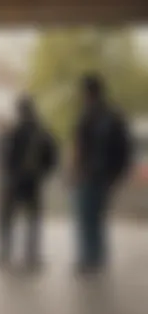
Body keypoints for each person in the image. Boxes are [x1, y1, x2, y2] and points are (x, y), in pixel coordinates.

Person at [71, 74, 132, 273]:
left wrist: (74, 172)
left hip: (88, 174)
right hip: (106, 176)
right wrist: (116, 175)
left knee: (86, 218)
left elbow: (79, 148)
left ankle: (89, 260)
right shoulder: (114, 115)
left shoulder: (86, 115)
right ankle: (98, 258)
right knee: (97, 218)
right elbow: (125, 147)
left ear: (87, 92)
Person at [0, 97, 57, 268]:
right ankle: (32, 256)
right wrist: (42, 173)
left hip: (14, 182)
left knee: (7, 218)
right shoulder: (42, 132)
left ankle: (5, 253)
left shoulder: (14, 131)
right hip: (34, 181)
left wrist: (9, 173)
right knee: (33, 220)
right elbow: (52, 157)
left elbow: (5, 157)